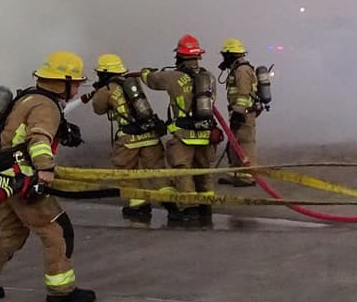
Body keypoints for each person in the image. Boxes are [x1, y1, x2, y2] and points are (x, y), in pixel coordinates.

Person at [0, 51, 96, 302]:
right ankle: (61, 290)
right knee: (56, 229)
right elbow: (38, 138)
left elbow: (18, 134)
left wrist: (64, 131)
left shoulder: (27, 97)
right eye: (75, 82)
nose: (78, 88)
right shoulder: (46, 106)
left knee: (11, 231)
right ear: (62, 82)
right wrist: (45, 171)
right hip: (20, 179)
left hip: (0, 177)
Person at [141, 34, 218, 228]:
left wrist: (144, 72)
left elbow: (152, 80)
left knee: (183, 170)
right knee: (204, 171)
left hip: (184, 135)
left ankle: (189, 208)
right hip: (206, 134)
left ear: (179, 57)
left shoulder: (174, 77)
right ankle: (206, 207)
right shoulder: (209, 77)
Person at [82, 54, 166, 229]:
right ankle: (172, 202)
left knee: (125, 170)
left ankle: (139, 204)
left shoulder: (107, 88)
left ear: (103, 73)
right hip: (150, 134)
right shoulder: (132, 83)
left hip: (129, 139)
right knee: (156, 170)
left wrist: (100, 91)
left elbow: (98, 109)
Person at [217, 37, 260, 187]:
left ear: (231, 54)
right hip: (238, 111)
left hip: (244, 113)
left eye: (225, 55)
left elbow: (243, 93)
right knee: (235, 143)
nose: (224, 58)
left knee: (245, 143)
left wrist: (239, 112)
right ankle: (236, 175)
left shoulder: (242, 70)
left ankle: (246, 177)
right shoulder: (237, 68)